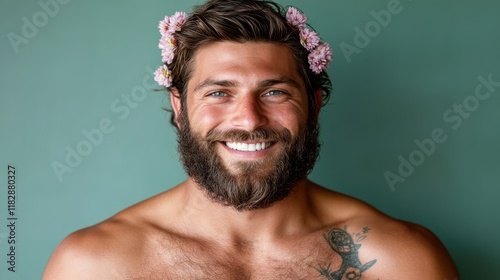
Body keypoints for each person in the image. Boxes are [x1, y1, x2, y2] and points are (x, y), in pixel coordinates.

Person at [43, 0, 459, 279]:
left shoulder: (397, 261)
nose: (248, 120)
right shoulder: (96, 265)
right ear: (179, 106)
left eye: (275, 92)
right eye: (219, 93)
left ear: (313, 104)